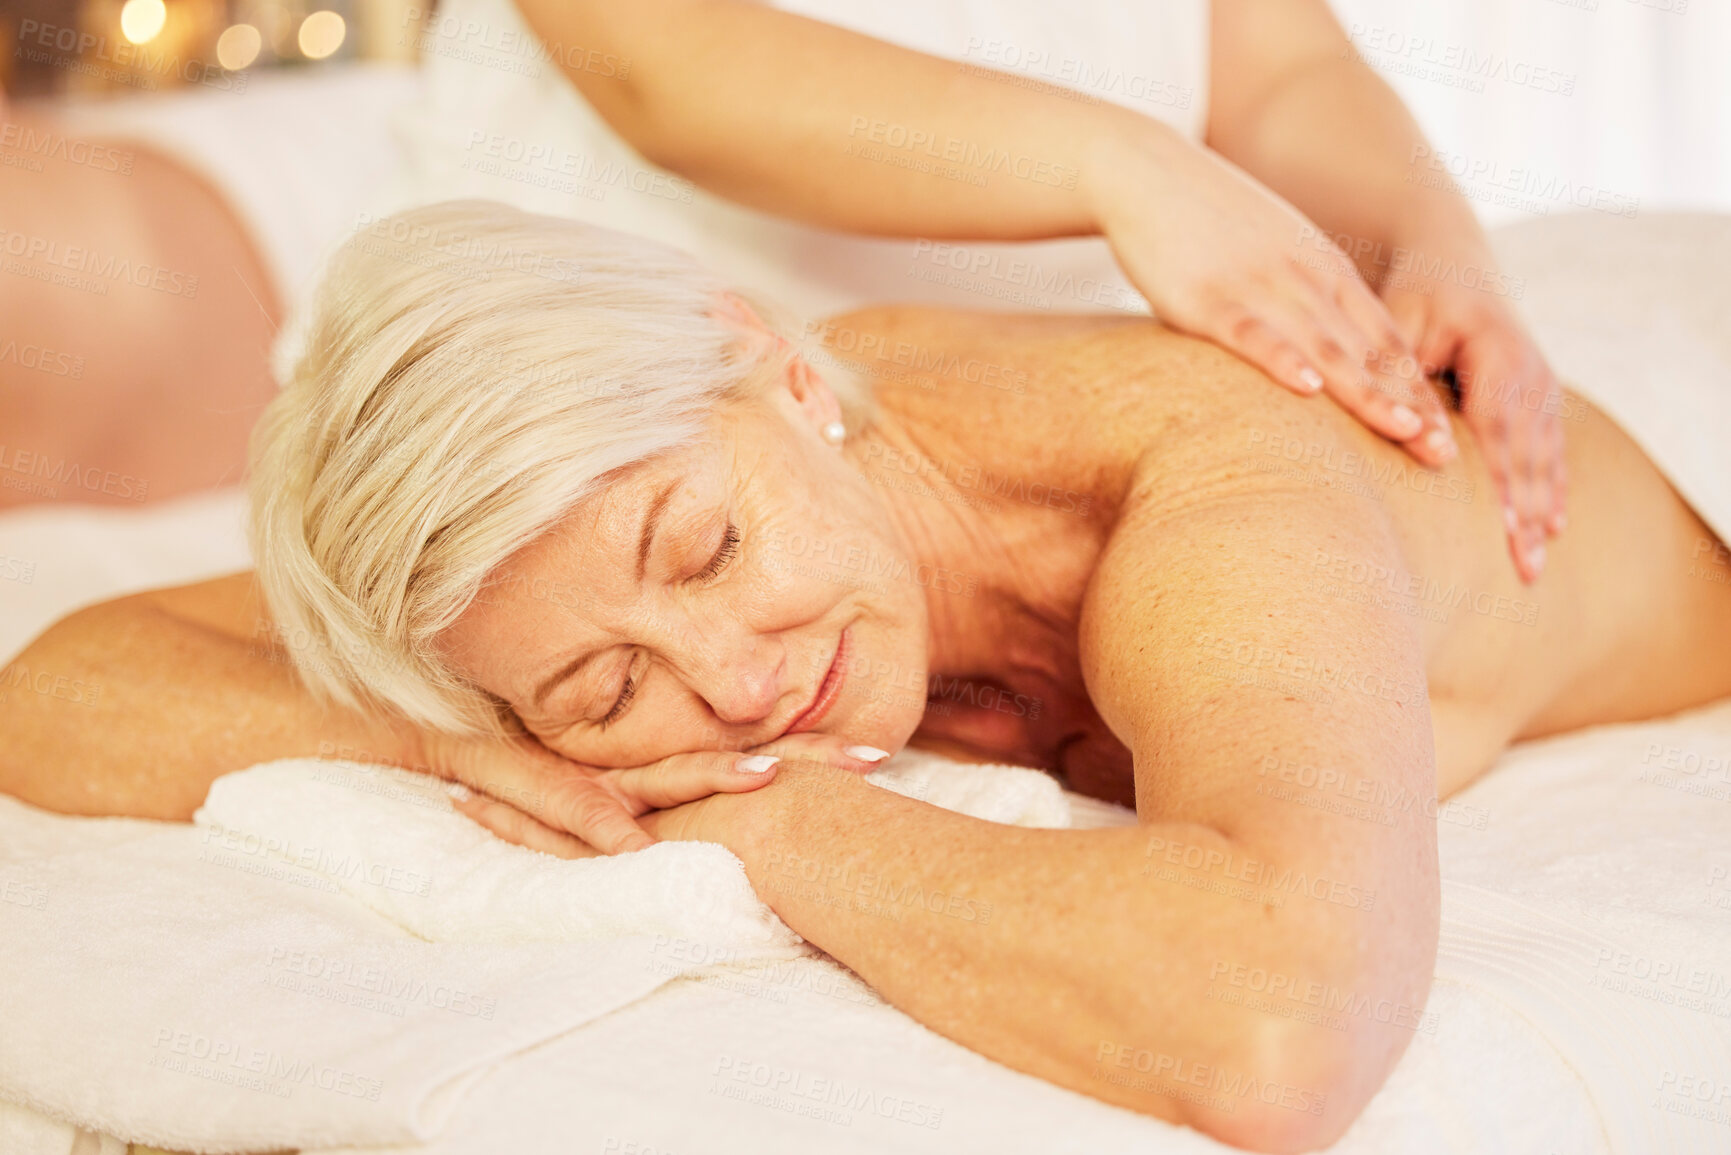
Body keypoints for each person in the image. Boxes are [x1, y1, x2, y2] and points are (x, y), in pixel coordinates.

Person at [3, 202, 1727, 1153]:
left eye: (709, 553)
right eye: (607, 694)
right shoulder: (547, 544)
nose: (736, 690)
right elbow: (56, 684)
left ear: (783, 376)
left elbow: (1282, 1031)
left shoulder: (1195, 486)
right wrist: (446, 740)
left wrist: (759, 837)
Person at [1, 0, 1565, 578]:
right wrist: (1125, 166)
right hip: (508, 279)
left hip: (884, 394)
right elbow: (656, 60)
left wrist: (1432, 237)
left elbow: (1285, 65)